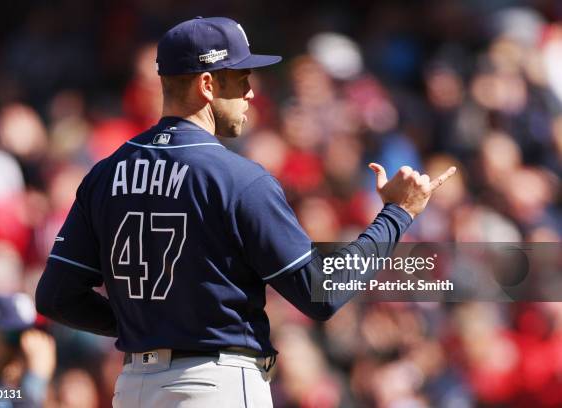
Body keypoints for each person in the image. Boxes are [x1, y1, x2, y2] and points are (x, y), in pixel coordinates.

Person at [35, 16, 456, 407]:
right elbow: (321, 293)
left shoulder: (105, 174)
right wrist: (397, 215)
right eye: (241, 78)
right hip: (214, 385)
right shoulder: (237, 178)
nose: (251, 92)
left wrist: (146, 329)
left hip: (133, 389)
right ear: (206, 85)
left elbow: (56, 298)